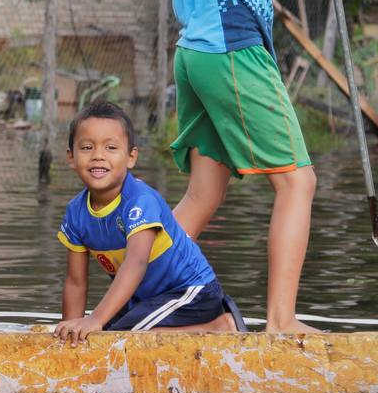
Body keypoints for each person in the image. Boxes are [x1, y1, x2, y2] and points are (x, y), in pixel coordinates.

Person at [169, 0, 333, 334]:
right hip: (231, 53)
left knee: (203, 193)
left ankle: (131, 298)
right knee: (298, 182)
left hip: (199, 55)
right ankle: (282, 322)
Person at [54, 101, 244, 343]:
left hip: (190, 293)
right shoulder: (75, 213)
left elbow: (136, 262)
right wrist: (70, 333)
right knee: (99, 335)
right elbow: (75, 281)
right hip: (144, 300)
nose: (98, 156)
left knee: (114, 337)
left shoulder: (140, 201)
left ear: (131, 157)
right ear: (71, 157)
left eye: (111, 147)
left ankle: (219, 326)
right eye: (87, 147)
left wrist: (95, 319)